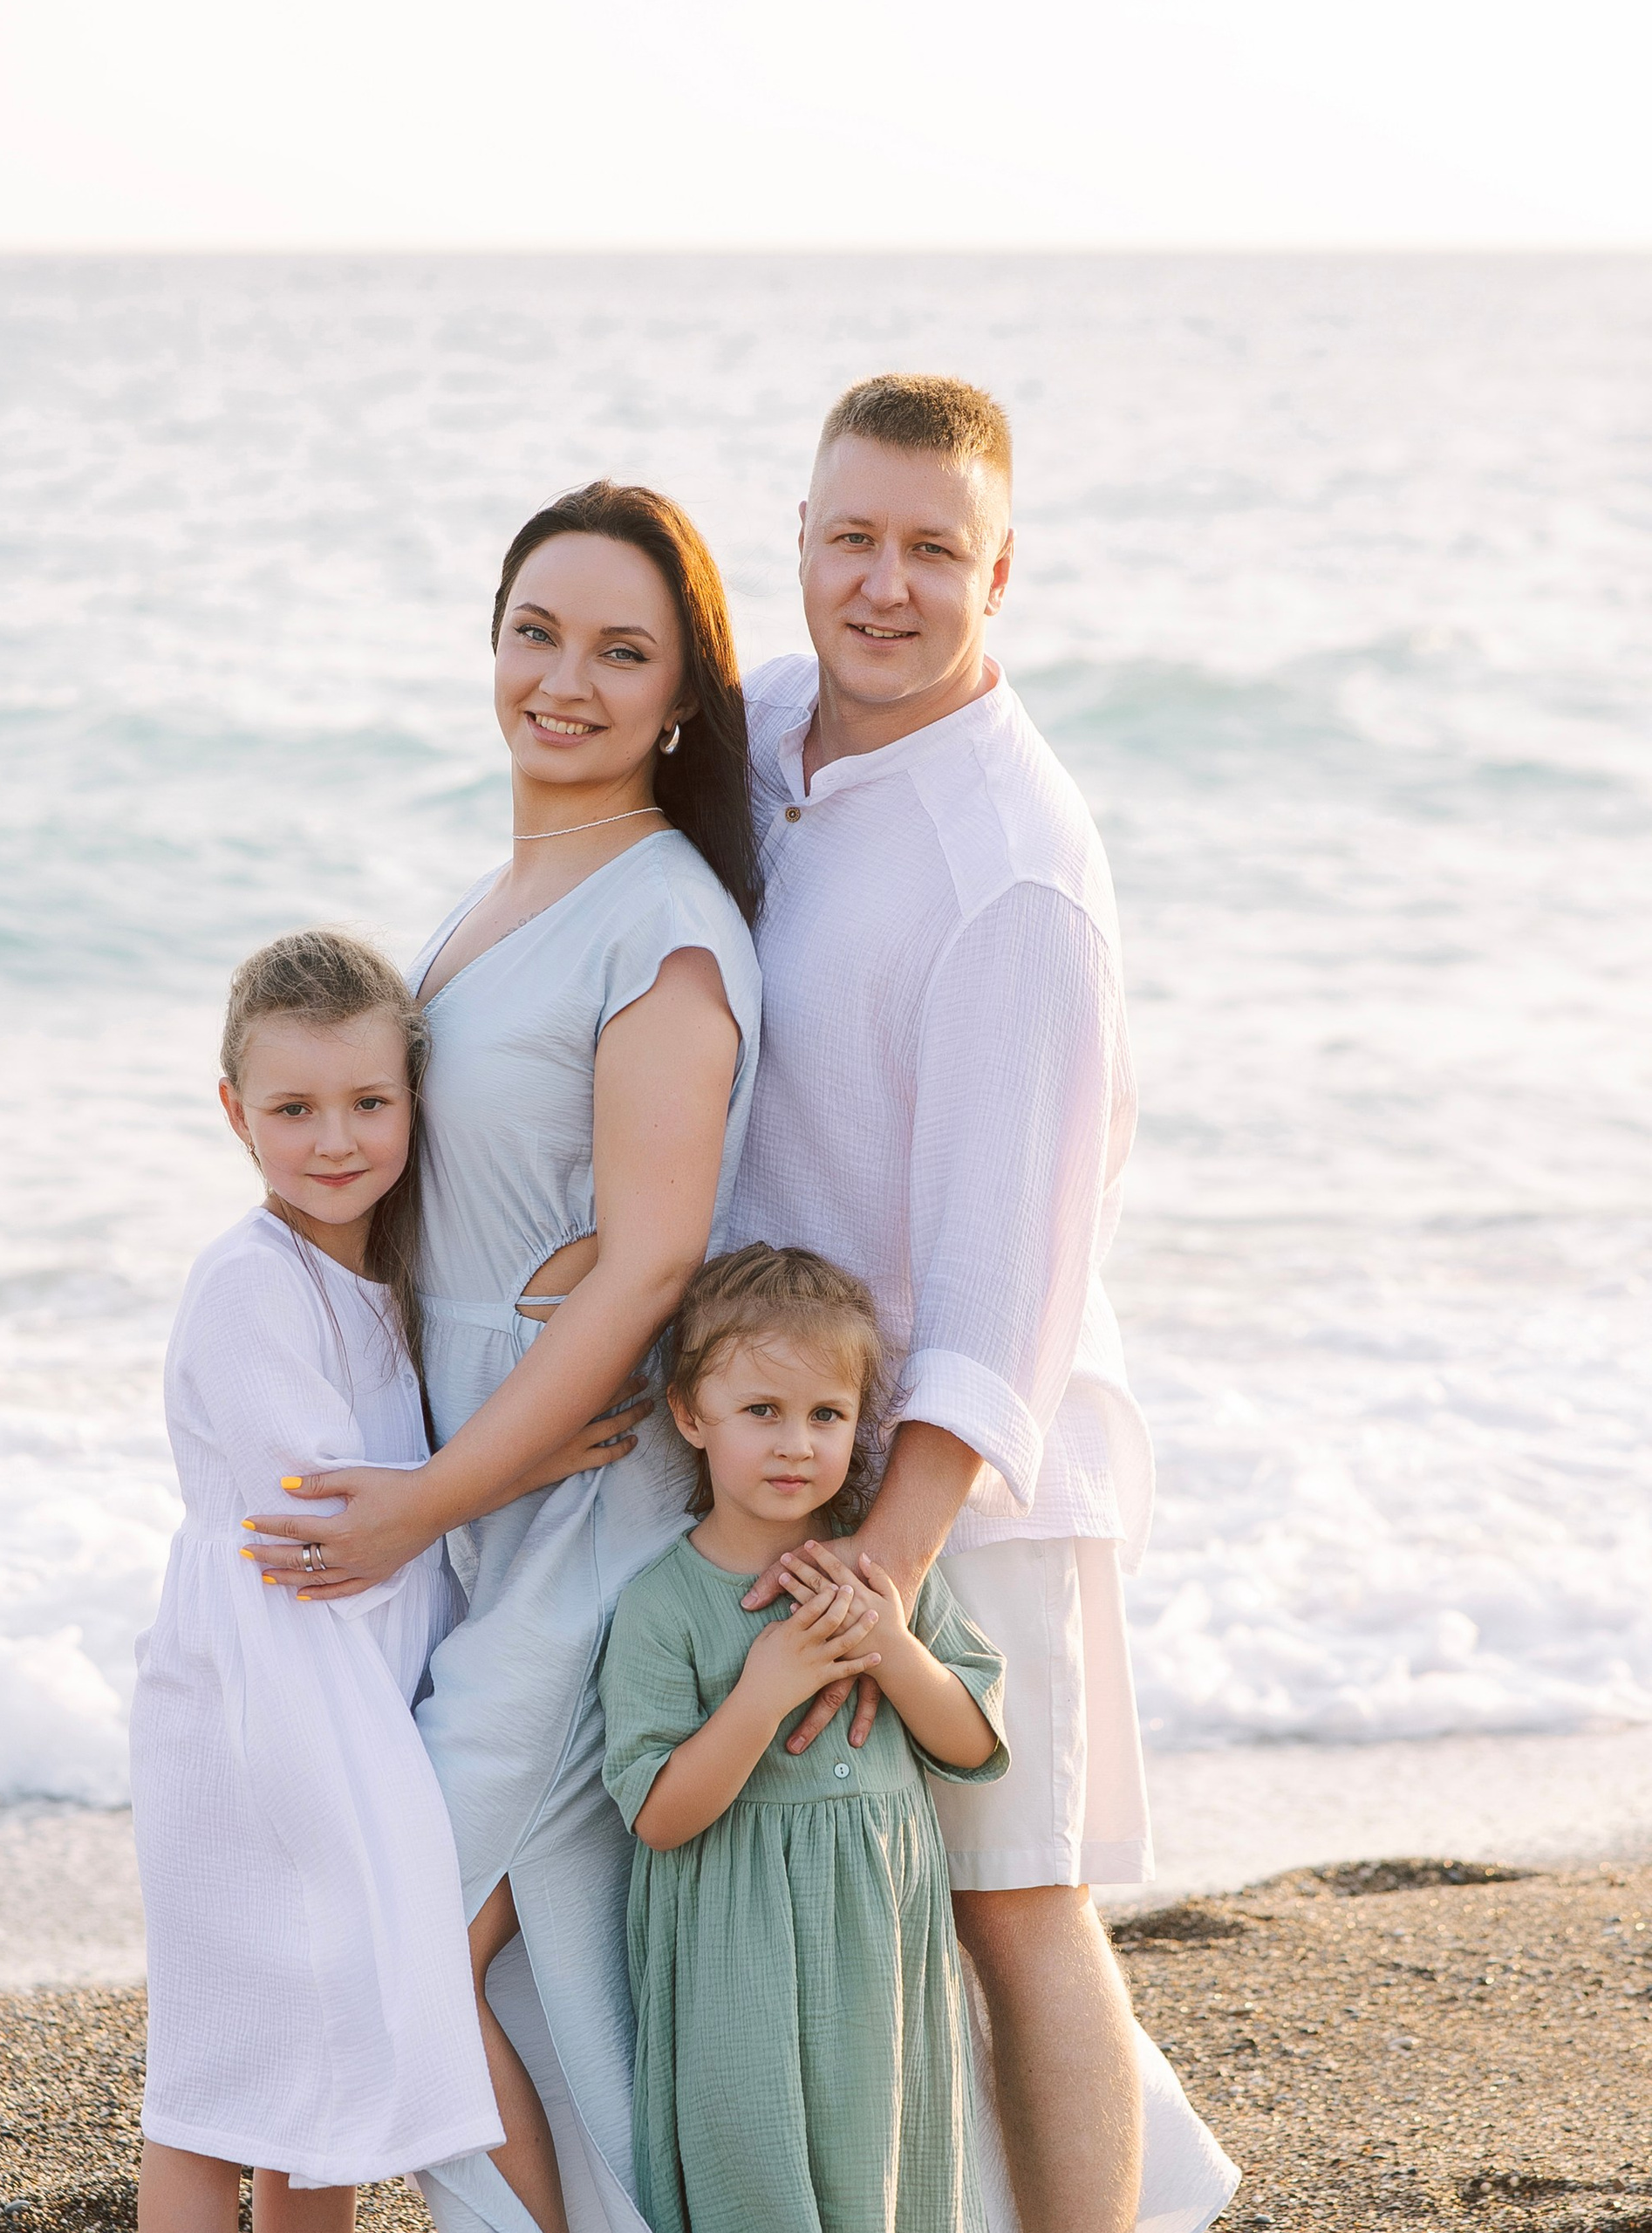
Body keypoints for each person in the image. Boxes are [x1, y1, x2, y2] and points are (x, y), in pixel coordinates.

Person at [725, 375, 1238, 2233]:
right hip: (789, 1439)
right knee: (872, 1899)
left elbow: (1008, 1280)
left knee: (1015, 1901)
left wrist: (888, 1562)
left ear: (999, 572)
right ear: (792, 544)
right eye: (847, 537)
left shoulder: (1011, 864)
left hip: (974, 1484)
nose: (881, 583)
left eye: (929, 549)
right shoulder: (771, 726)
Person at [243, 482, 762, 2233]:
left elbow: (655, 1256)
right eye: (535, 630)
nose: (566, 676)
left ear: (681, 694)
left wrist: (429, 1500)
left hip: (577, 1519)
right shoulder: (500, 891)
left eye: (622, 649)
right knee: (526, 1984)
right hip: (479, 1491)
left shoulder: (663, 922)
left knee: (391, 1946)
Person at [131, 928, 641, 2233]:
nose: (337, 1140)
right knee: (221, 2075)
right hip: (260, 1709)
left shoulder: (379, 1274)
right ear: (236, 1114)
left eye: (369, 1103)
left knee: (330, 2071)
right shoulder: (252, 1283)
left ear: (417, 1101)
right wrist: (512, 1466)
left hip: (338, 1694)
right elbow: (332, 1529)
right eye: (295, 1109)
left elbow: (395, 1505)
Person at [600, 1244, 1008, 2233]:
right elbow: (657, 1815)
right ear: (690, 1415)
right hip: (735, 1934)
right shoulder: (665, 1603)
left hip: (877, 1921)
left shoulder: (878, 1577)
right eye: (760, 1412)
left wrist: (893, 1648)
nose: (795, 1444)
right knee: (755, 2163)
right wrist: (764, 1687)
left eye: (825, 1414)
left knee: (886, 2162)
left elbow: (972, 1743)